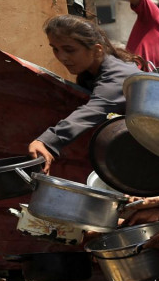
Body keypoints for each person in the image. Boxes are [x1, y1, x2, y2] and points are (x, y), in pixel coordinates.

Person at [28, 15, 141, 173]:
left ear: (97, 50)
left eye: (69, 50)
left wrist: (46, 141)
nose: (61, 57)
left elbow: (93, 110)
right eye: (55, 49)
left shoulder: (117, 76)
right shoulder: (90, 72)